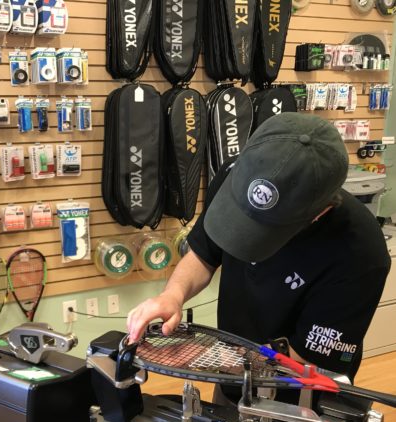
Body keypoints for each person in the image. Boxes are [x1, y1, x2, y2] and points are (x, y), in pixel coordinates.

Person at [127, 113, 391, 403]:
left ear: (320, 211)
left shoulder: (360, 253)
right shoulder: (235, 176)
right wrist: (172, 296)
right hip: (230, 378)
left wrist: (204, 357)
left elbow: (305, 359)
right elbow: (204, 252)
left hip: (300, 401)